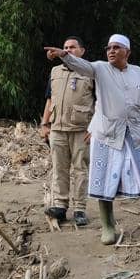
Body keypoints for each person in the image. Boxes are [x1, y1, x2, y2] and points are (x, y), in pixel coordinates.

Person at [44, 35, 140, 245]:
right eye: (108, 47)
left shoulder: (138, 72)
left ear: (127, 52)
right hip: (106, 133)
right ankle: (108, 225)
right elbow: (81, 65)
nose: (111, 51)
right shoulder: (100, 69)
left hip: (136, 133)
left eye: (116, 48)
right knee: (103, 180)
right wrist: (64, 55)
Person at [41, 36, 96, 226]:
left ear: (82, 51)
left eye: (72, 47)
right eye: (65, 47)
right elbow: (49, 100)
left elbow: (102, 102)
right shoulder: (55, 71)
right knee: (59, 168)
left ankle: (80, 209)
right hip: (57, 128)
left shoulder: (91, 72)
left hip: (82, 130)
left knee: (81, 170)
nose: (68, 50)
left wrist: (96, 127)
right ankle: (60, 206)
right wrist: (44, 124)